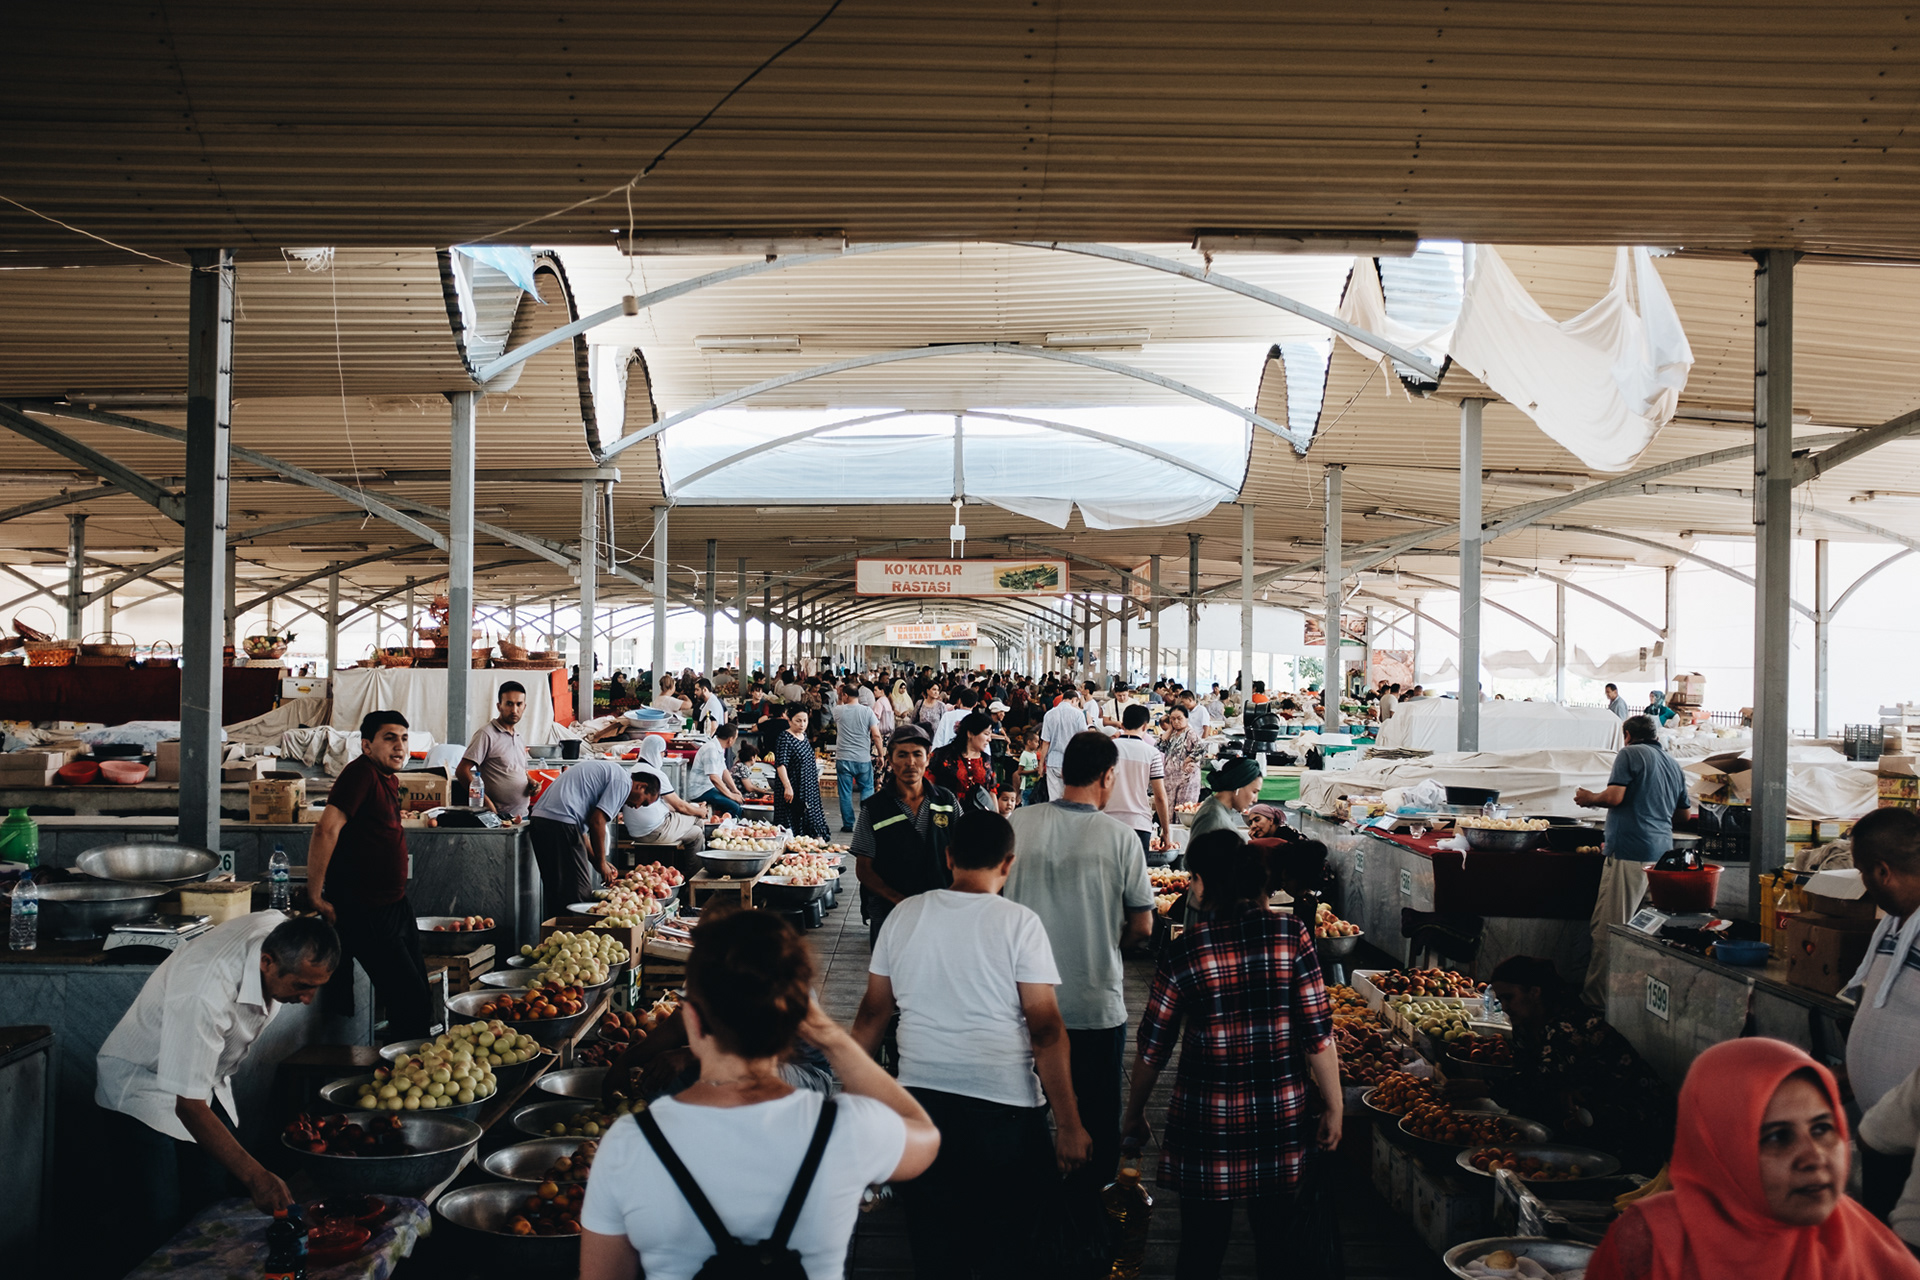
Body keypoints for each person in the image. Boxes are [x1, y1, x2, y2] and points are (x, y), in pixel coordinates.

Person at [580, 910, 939, 1280]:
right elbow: (925, 1134)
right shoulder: (844, 1131)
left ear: (692, 1019)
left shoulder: (627, 1146)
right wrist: (833, 1039)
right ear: (798, 1019)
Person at [853, 810, 1090, 1280]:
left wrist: (853, 1101)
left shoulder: (905, 915)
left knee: (933, 1242)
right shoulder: (1020, 923)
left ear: (948, 857)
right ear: (1008, 864)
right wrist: (1069, 1122)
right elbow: (1045, 1030)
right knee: (1004, 1245)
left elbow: (873, 1014)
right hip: (1005, 1113)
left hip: (921, 1107)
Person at [1121, 831, 1341, 1280]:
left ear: (1199, 884)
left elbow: (1153, 1046)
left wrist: (1134, 1112)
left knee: (1201, 1248)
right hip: (1279, 1118)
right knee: (1276, 1247)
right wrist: (1336, 1105)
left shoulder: (1186, 950)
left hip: (1207, 1123)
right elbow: (1318, 1033)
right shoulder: (1291, 934)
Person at [97, 914, 339, 1258]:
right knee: (158, 1221)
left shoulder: (280, 931)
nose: (307, 1000)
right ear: (266, 962)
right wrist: (257, 1177)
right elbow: (189, 1105)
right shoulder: (205, 991)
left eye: (317, 987)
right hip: (142, 1086)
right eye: (301, 986)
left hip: (204, 1082)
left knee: (211, 1206)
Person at [1584, 1037, 1920, 1280]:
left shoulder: (1868, 1248)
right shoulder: (1648, 1239)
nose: (1813, 1157)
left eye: (1821, 1129)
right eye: (1777, 1137)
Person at [1005, 731, 1154, 1204]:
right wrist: (1109, 944)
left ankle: (1029, 1219)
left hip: (1021, 1004)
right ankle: (1086, 1229)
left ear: (1062, 770)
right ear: (1108, 776)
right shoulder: (1121, 837)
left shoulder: (1017, 823)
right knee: (1095, 1127)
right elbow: (1144, 926)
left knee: (1021, 1118)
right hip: (1094, 1004)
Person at [306, 710, 433, 1040]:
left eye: (404, 738)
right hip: (367, 910)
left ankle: (407, 1068)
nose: (399, 746)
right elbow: (326, 830)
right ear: (366, 746)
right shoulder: (359, 774)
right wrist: (315, 893)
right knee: (409, 1001)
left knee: (418, 993)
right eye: (389, 738)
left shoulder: (386, 778)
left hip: (394, 905)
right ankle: (402, 1078)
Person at [1483, 955, 1674, 1173]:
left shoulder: (1569, 1026)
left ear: (1534, 992)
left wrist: (1484, 1087)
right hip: (1586, 1112)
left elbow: (1539, 1084)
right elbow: (1528, 1075)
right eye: (1501, 1000)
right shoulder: (1525, 1026)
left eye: (1509, 998)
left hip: (1635, 1117)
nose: (1505, 1007)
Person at [1838, 806, 1920, 1222]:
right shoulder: (1894, 923)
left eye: (1862, 872)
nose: (1864, 884)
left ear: (1882, 872)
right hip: (1881, 1136)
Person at [1576, 713, 1689, 1007]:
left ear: (1627, 734)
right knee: (1644, 934)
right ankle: (1634, 1004)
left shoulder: (1629, 753)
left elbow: (1614, 797)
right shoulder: (1673, 765)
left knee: (1609, 930)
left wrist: (1589, 798)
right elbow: (1683, 815)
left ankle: (1597, 1004)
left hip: (1630, 853)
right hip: (1661, 856)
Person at [851, 725, 960, 944]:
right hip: (889, 910)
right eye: (902, 755)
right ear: (890, 761)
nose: (910, 763)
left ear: (927, 759)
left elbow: (963, 854)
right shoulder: (874, 808)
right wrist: (899, 900)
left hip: (939, 909)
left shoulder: (946, 802)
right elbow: (863, 868)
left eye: (917, 754)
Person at [529, 758, 657, 910]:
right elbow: (597, 822)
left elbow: (582, 833)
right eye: (644, 802)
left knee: (558, 892)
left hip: (541, 820)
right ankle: (574, 930)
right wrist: (602, 863)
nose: (637, 807)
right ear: (641, 786)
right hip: (560, 822)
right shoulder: (623, 782)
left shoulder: (612, 774)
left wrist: (597, 862)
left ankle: (557, 931)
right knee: (578, 896)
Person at [622, 755, 712, 874]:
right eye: (662, 753)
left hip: (636, 833)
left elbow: (664, 806)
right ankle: (697, 877)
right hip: (656, 831)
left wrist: (693, 806)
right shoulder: (655, 775)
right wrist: (699, 810)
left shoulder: (631, 772)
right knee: (697, 819)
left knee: (696, 832)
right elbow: (680, 806)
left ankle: (691, 876)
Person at [457, 680, 531, 818]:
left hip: (522, 816)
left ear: (524, 707)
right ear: (499, 706)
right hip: (498, 817)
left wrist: (531, 782)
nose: (514, 710)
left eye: (518, 704)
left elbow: (518, 770)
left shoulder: (519, 737)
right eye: (509, 704)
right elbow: (462, 771)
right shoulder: (486, 734)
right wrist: (486, 803)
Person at [1108, 703, 1172, 853]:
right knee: (1135, 874)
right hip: (1139, 824)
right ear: (1145, 726)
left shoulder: (1108, 748)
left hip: (1108, 822)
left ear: (1122, 725)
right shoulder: (1152, 753)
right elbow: (1160, 796)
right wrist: (1166, 831)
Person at [772, 702, 831, 839]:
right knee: (793, 823)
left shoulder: (804, 737)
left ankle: (817, 851)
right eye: (798, 721)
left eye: (805, 721)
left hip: (809, 789)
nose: (802, 724)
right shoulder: (785, 738)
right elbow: (781, 764)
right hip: (794, 788)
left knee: (813, 820)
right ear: (789, 720)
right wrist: (787, 786)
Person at [830, 682, 883, 834]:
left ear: (845, 695)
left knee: (845, 792)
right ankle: (866, 822)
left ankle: (848, 824)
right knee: (867, 789)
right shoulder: (867, 712)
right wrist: (880, 755)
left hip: (843, 758)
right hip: (863, 758)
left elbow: (839, 707)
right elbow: (876, 735)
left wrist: (840, 696)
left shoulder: (838, 711)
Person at [929, 710, 996, 810]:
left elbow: (992, 792)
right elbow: (928, 785)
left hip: (979, 818)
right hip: (947, 815)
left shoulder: (986, 759)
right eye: (986, 734)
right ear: (970, 734)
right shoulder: (942, 755)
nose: (989, 739)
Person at [1188, 754, 1262, 841]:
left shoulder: (1216, 808)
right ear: (1238, 786)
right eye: (1254, 792)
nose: (1255, 799)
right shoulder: (1213, 818)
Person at [1037, 683, 1090, 801]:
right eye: (1077, 702)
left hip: (1053, 762)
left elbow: (1045, 742)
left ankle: (1056, 819)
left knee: (1054, 799)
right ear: (1074, 700)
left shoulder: (1049, 714)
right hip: (1072, 763)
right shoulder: (1078, 715)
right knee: (1071, 799)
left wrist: (1041, 765)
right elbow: (1084, 739)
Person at [688, 722, 747, 820]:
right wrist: (731, 795)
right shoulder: (711, 748)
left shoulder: (718, 747)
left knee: (736, 802)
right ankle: (727, 830)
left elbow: (724, 771)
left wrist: (735, 790)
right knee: (735, 807)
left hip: (709, 788)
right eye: (735, 739)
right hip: (701, 791)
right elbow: (714, 778)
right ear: (730, 739)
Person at [1159, 705, 1205, 808]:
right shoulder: (1172, 734)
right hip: (1170, 779)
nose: (1176, 722)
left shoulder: (1190, 733)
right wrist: (1169, 730)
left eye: (1179, 718)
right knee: (1169, 810)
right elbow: (1159, 747)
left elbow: (1201, 748)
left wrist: (1189, 759)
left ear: (1186, 718)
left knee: (1183, 809)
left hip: (1186, 779)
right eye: (1173, 719)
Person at [932, 686, 977, 750]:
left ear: (959, 700)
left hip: (946, 754)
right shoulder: (976, 720)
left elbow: (938, 739)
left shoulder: (947, 716)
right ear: (975, 704)